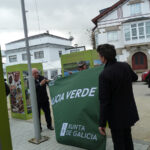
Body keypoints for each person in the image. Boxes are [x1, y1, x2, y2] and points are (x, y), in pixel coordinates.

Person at [97, 44, 139, 150]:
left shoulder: (104, 74)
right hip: (128, 112)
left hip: (115, 116)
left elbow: (104, 101)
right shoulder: (125, 66)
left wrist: (101, 123)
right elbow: (135, 77)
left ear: (103, 57)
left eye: (99, 56)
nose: (99, 58)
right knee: (128, 138)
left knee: (119, 143)